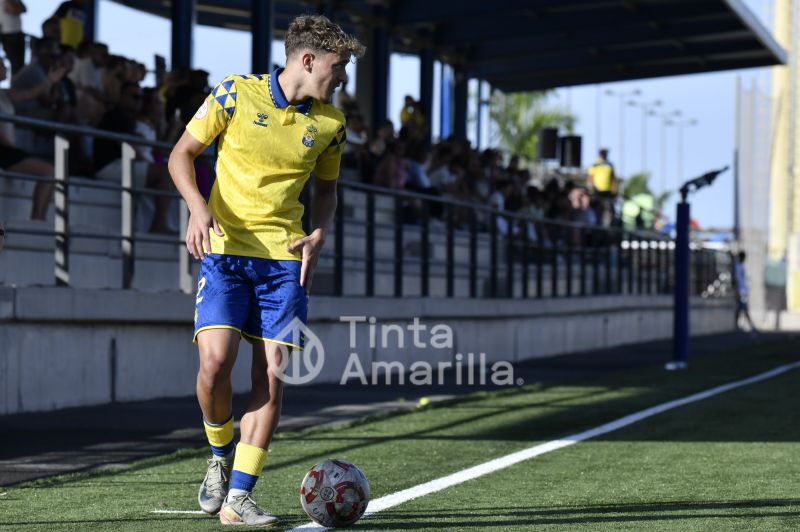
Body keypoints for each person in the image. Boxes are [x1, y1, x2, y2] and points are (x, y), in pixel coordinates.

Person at [168, 14, 364, 527]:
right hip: (226, 250)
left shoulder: (331, 124)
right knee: (214, 365)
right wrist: (196, 206)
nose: (342, 78)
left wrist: (320, 232)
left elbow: (326, 192)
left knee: (272, 378)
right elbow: (182, 155)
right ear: (307, 60)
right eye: (338, 67)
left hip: (284, 261)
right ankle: (219, 455)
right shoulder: (234, 93)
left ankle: (240, 496)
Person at [0, 58, 58, 220]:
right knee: (49, 172)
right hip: (3, 149)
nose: (6, 69)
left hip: (7, 148)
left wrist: (50, 81)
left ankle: (38, 219)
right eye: (2, 66)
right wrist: (13, 148)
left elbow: (28, 94)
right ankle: (37, 219)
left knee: (50, 172)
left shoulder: (4, 94)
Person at [587, 148, 616, 226]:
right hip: (597, 191)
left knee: (610, 208)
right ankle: (597, 223)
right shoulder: (595, 165)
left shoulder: (609, 165)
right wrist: (591, 189)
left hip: (607, 191)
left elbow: (613, 178)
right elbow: (590, 178)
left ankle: (610, 224)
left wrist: (614, 190)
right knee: (597, 208)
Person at [733, 251, 759, 334]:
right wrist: (737, 291)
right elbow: (736, 280)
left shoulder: (741, 266)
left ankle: (737, 326)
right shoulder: (737, 266)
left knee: (740, 309)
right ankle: (751, 326)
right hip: (741, 291)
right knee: (743, 308)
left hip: (743, 291)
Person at [0, 0, 25, 75]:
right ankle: (16, 84)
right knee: (15, 64)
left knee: (20, 65)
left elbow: (24, 9)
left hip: (17, 33)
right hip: (8, 35)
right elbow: (14, 10)